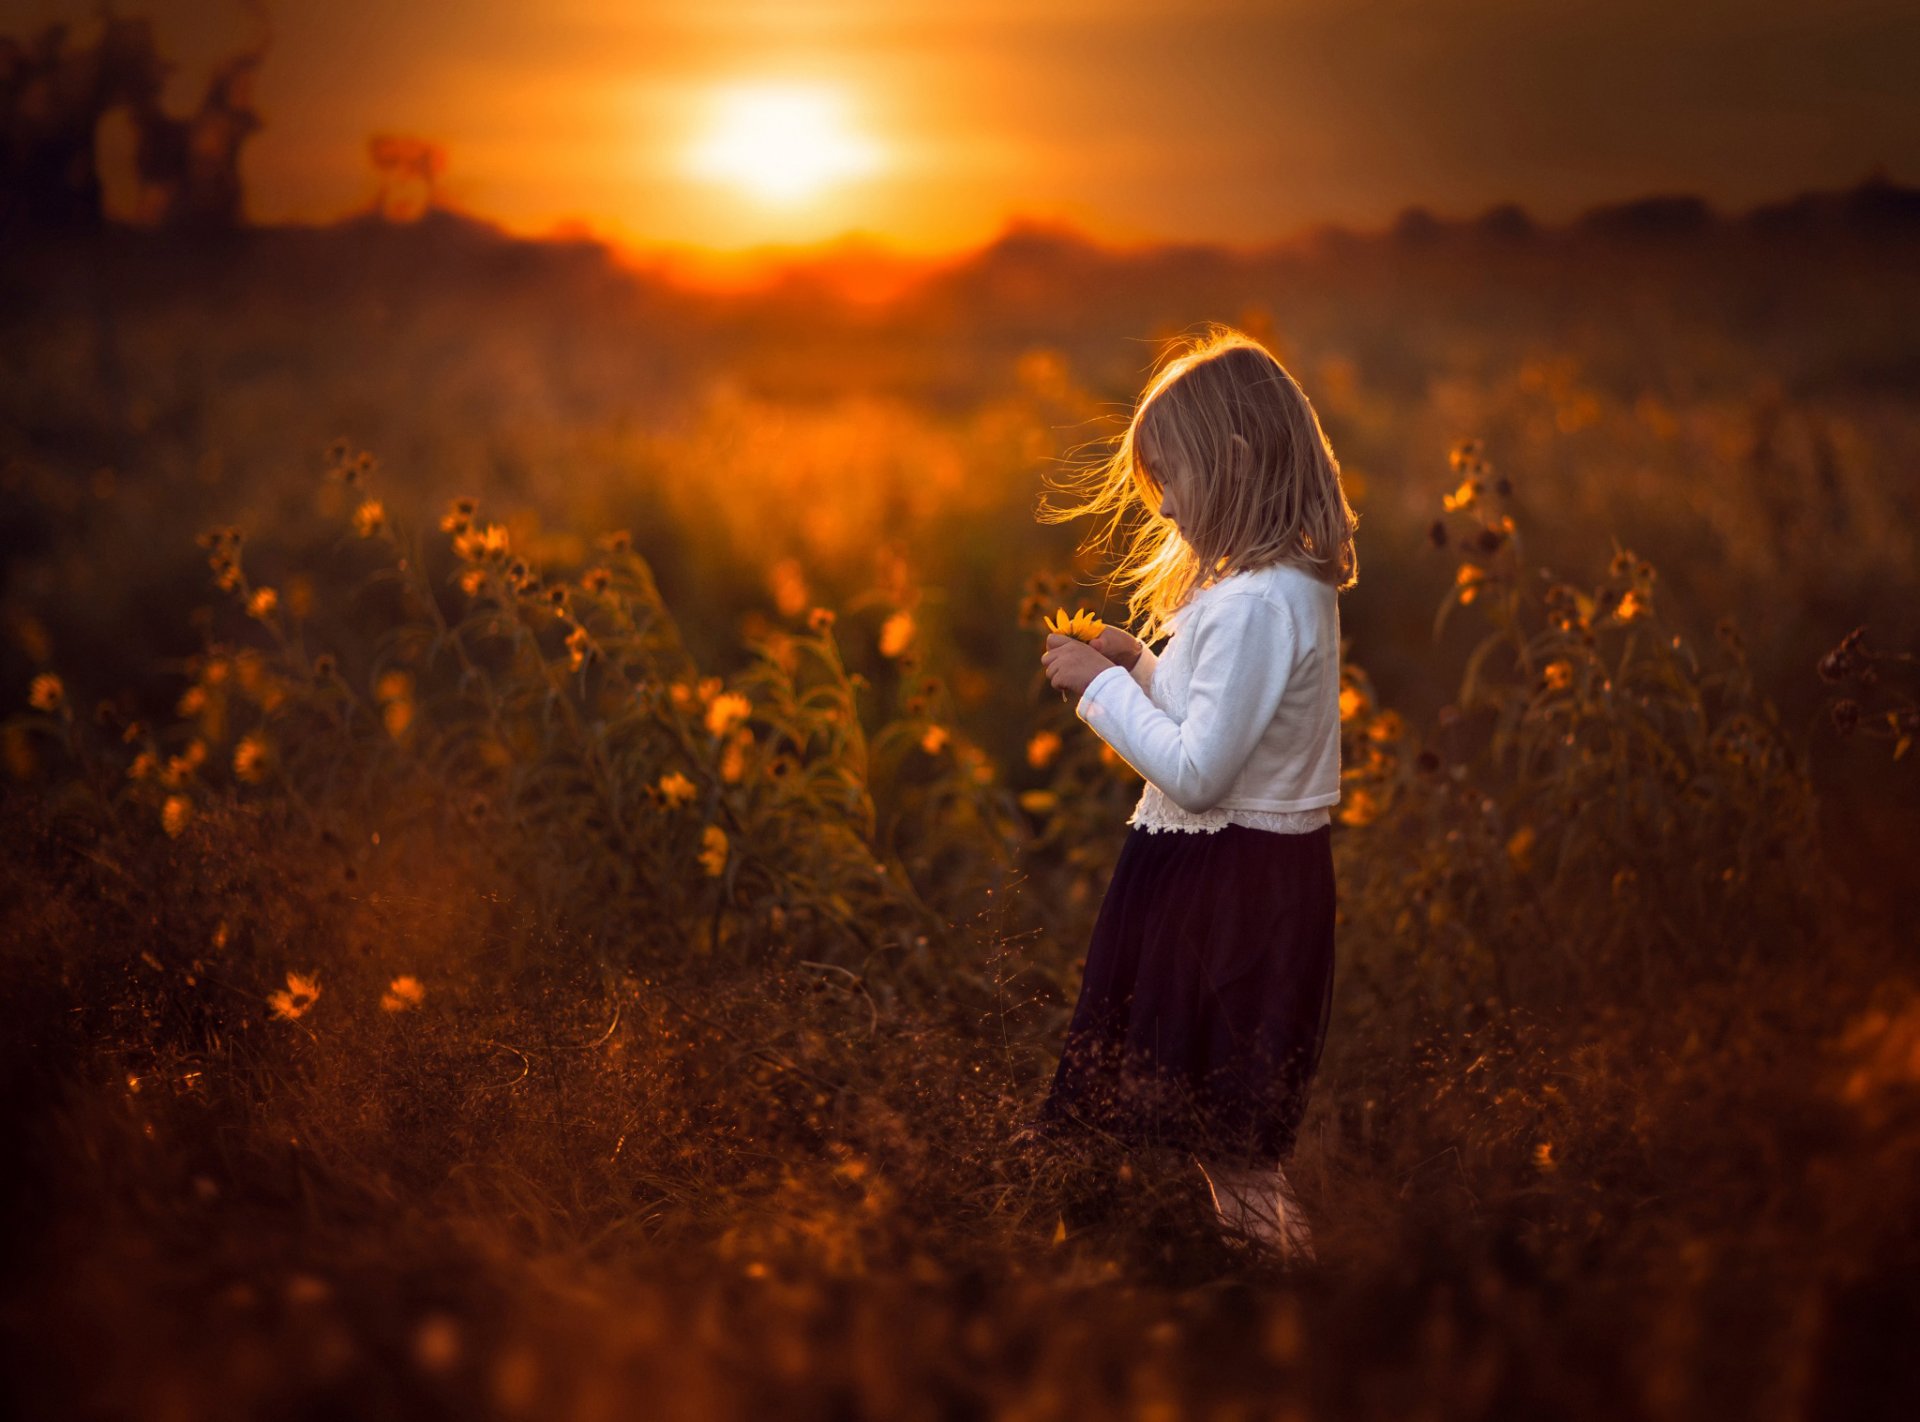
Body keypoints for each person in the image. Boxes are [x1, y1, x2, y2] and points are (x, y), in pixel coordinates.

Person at [1028, 324, 1358, 1264]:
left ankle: (1286, 1298)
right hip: (1230, 881)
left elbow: (1201, 771)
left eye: (1172, 479)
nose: (1164, 507)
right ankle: (1238, 1284)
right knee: (1223, 1142)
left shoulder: (1256, 603)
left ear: (1238, 465)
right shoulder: (1275, 587)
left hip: (1226, 893)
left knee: (1232, 1146)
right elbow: (1225, 718)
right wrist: (1141, 662)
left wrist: (1099, 693)